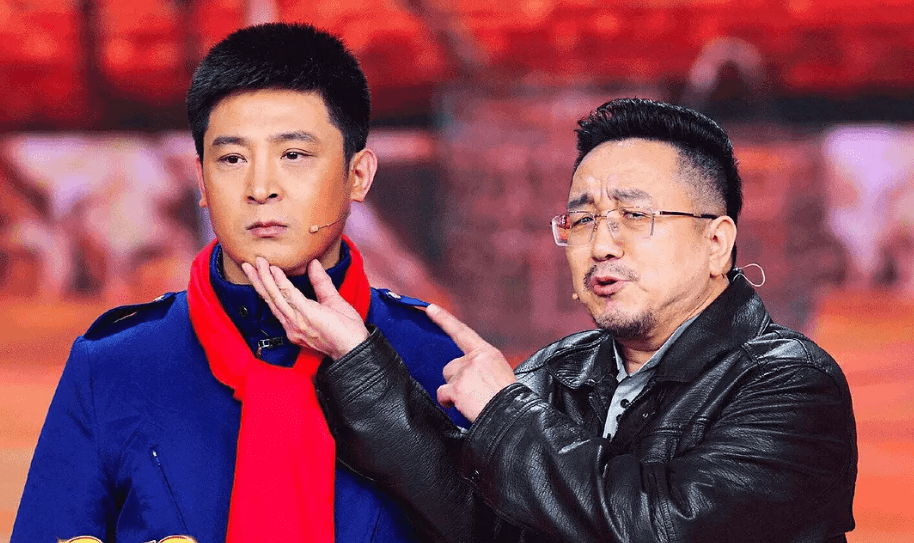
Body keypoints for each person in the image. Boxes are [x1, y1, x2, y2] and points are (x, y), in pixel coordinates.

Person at [244, 98, 858, 542]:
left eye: (634, 216)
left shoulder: (791, 383)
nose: (602, 244)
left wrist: (504, 412)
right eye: (583, 219)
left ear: (716, 243)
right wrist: (360, 361)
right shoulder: (557, 373)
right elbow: (477, 523)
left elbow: (662, 528)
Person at [12, 22, 467, 543]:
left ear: (357, 176)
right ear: (202, 182)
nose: (260, 187)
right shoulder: (114, 366)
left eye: (293, 155)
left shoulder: (436, 362)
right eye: (232, 159)